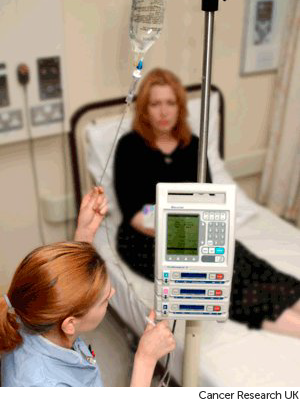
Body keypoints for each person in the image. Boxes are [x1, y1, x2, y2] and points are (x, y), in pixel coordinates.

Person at [113, 68, 300, 338]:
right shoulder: (130, 148)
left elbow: (208, 199)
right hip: (144, 239)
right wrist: (183, 228)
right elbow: (135, 213)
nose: (163, 112)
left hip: (196, 231)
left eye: (170, 103)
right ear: (144, 109)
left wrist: (197, 231)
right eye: (155, 104)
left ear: (179, 107)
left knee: (247, 262)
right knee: (220, 282)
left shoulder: (193, 146)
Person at [0, 187, 176, 387]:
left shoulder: (28, 308)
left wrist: (85, 234)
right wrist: (145, 360)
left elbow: (63, 284)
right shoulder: (44, 386)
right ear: (70, 324)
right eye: (103, 300)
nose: (112, 292)